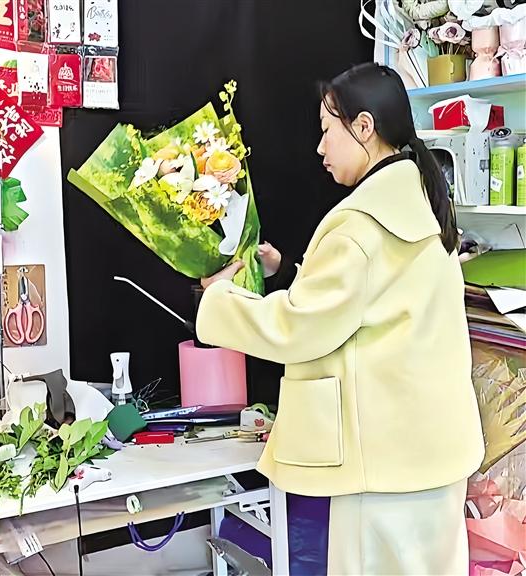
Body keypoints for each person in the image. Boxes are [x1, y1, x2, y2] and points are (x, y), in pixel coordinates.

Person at [197, 63, 485, 575]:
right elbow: (370, 302)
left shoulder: (360, 223)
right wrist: (288, 270)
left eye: (328, 130)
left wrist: (217, 298)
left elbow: (297, 328)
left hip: (383, 467)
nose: (320, 147)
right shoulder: (422, 204)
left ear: (364, 127)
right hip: (433, 454)